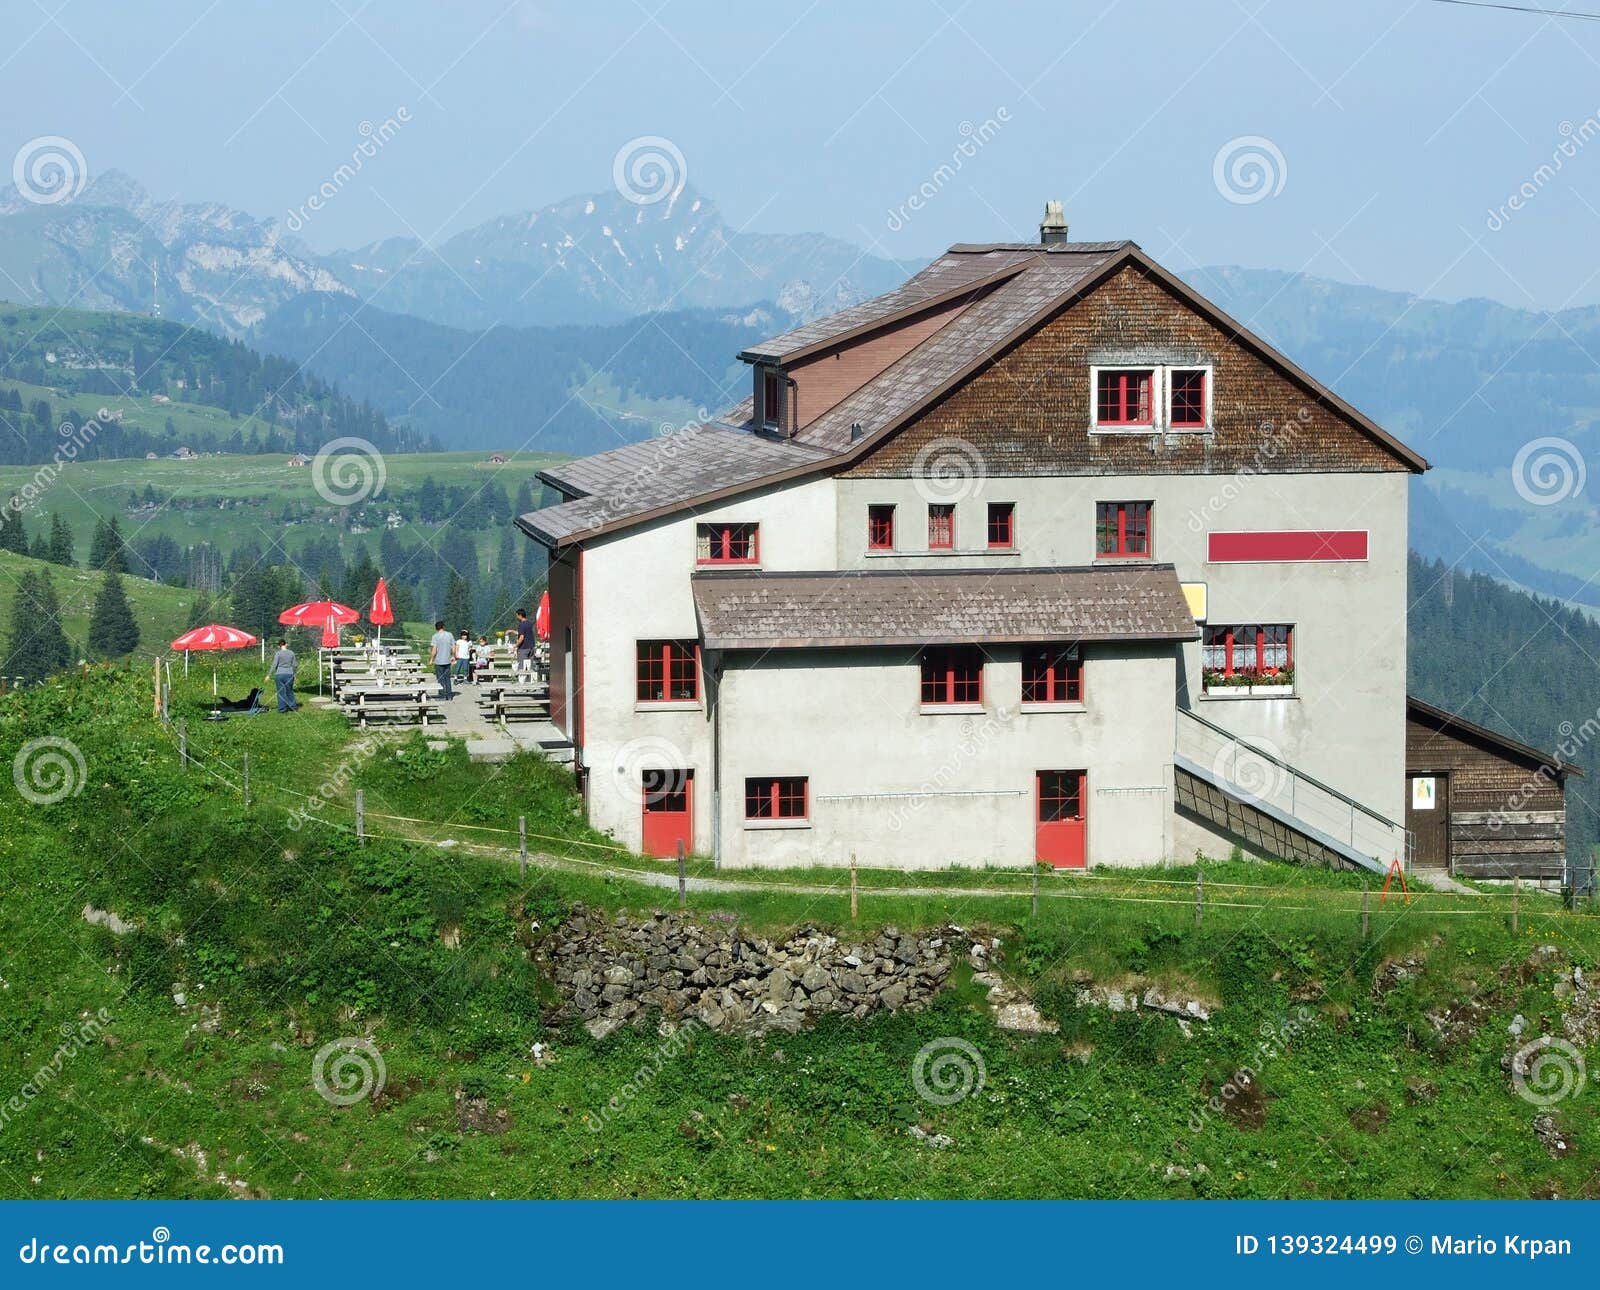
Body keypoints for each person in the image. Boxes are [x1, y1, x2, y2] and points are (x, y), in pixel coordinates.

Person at [266, 638, 299, 713]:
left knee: (281, 692)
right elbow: (295, 665)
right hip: (289, 674)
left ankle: (282, 709)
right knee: (289, 691)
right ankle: (293, 707)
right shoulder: (291, 653)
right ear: (285, 644)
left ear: (279, 646)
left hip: (279, 674)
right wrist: (294, 674)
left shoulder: (278, 653)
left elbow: (274, 665)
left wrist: (269, 675)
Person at [429, 620, 455, 700]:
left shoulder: (435, 636)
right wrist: (453, 656)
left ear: (436, 628)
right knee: (447, 678)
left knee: (440, 679)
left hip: (439, 661)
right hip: (447, 660)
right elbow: (453, 647)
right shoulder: (450, 635)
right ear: (443, 627)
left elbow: (434, 650)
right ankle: (449, 695)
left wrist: (431, 659)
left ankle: (442, 695)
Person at [514, 607, 536, 679]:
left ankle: (522, 687)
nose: (516, 617)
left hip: (523, 648)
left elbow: (521, 637)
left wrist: (515, 646)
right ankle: (531, 685)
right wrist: (512, 631)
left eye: (517, 615)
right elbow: (524, 633)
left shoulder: (521, 625)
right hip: (531, 647)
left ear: (520, 615)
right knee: (530, 666)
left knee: (522, 667)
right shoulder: (529, 623)